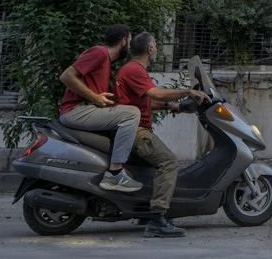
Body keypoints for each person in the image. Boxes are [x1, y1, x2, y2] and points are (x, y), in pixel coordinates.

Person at [114, 31, 209, 239]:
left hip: (132, 130)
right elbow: (154, 93)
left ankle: (146, 212)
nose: (156, 49)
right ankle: (157, 219)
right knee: (169, 163)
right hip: (137, 132)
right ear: (150, 49)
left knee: (151, 171)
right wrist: (188, 92)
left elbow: (144, 102)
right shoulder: (135, 69)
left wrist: (172, 106)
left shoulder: (132, 69)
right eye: (155, 45)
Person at [58, 23, 143, 193]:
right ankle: (115, 174)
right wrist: (94, 97)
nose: (130, 44)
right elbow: (66, 76)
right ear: (123, 40)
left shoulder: (105, 59)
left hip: (84, 109)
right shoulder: (100, 52)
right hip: (76, 110)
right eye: (130, 40)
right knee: (132, 114)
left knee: (126, 111)